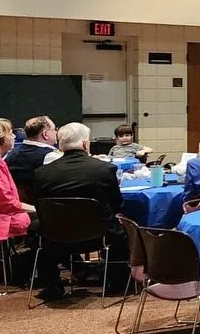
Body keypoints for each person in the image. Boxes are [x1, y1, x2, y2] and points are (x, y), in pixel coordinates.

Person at [29, 122, 127, 296]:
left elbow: (39, 206)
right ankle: (116, 283)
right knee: (123, 229)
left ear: (60, 144)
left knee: (36, 227)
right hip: (99, 235)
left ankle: (51, 284)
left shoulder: (41, 173)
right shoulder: (105, 169)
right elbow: (117, 204)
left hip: (55, 236)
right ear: (85, 143)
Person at [5, 116, 58, 184]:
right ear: (45, 134)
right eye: (54, 129)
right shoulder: (52, 157)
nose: (56, 132)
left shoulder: (9, 155)